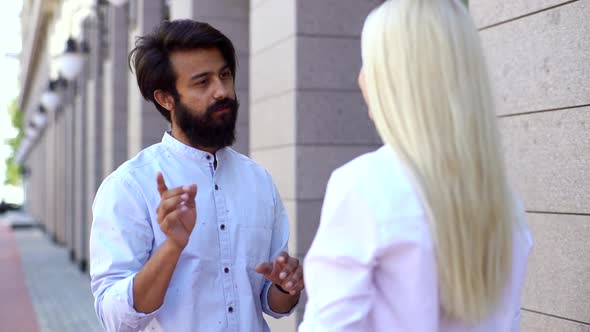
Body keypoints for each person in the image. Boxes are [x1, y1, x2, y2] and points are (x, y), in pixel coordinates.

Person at [299, 0, 532, 331]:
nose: (361, 77)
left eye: (369, 61)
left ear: (396, 78)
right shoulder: (506, 204)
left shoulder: (365, 187)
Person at [89, 20, 303, 332]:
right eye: (202, 83)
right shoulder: (130, 187)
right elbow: (116, 319)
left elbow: (271, 303)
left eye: (225, 75)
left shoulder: (258, 180)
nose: (222, 91)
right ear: (166, 99)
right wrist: (172, 247)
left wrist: (285, 286)